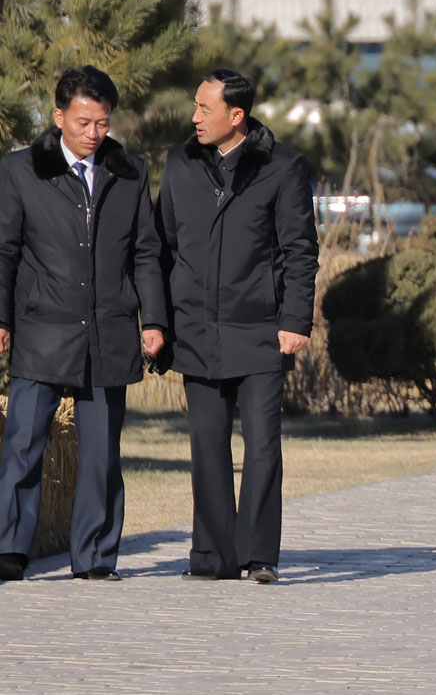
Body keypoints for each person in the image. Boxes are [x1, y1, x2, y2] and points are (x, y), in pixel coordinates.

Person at [0, 68, 169, 582]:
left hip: (109, 329)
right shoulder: (20, 171)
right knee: (24, 443)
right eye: (83, 121)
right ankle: (9, 550)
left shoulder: (130, 173)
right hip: (42, 327)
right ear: (59, 117)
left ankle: (94, 556)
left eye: (102, 122)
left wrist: (154, 320)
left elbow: (146, 253)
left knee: (100, 452)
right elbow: (4, 250)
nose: (94, 132)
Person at [156, 68, 318, 584]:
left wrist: (295, 320)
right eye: (195, 107)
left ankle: (259, 555)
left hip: (261, 330)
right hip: (196, 332)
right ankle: (213, 557)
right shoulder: (180, 163)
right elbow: (163, 248)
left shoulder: (283, 166)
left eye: (206, 109)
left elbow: (299, 251)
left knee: (263, 445)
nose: (195, 117)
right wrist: (160, 319)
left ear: (237, 115)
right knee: (206, 444)